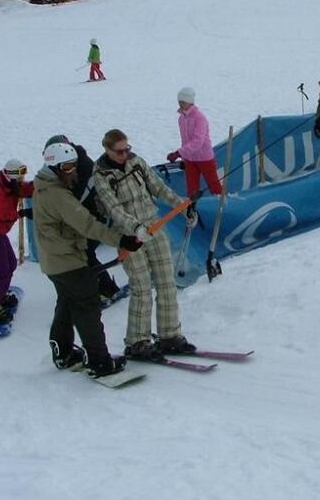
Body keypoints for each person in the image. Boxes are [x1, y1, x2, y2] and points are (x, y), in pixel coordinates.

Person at [34, 142, 143, 378]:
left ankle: (63, 352)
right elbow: (87, 224)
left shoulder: (44, 186)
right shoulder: (57, 194)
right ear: (54, 167)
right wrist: (122, 240)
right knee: (87, 307)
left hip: (54, 262)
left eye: (74, 165)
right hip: (68, 261)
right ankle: (99, 361)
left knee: (67, 304)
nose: (73, 171)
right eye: (67, 167)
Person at [94, 129, 198, 362]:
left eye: (127, 149)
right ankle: (137, 341)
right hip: (129, 236)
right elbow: (114, 209)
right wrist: (135, 227)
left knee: (166, 282)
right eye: (119, 151)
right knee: (141, 287)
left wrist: (183, 207)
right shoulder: (101, 175)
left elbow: (159, 187)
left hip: (154, 225)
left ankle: (169, 335)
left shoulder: (136, 162)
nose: (124, 154)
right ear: (107, 150)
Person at [43, 134, 122, 299]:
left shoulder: (84, 167)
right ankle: (99, 287)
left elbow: (73, 200)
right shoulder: (67, 165)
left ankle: (106, 289)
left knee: (85, 253)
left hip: (97, 217)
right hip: (83, 217)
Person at [0, 159, 34, 325]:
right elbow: (2, 214)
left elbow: (24, 189)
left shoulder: (10, 184)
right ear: (13, 174)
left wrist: (39, 185)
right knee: (2, 272)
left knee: (11, 264)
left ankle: (0, 295)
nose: (23, 177)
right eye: (21, 174)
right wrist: (22, 213)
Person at [167, 88, 223, 196]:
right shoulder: (181, 119)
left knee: (214, 186)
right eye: (179, 102)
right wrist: (184, 157)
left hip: (205, 158)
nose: (181, 104)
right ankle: (193, 205)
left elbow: (197, 142)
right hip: (189, 159)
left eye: (183, 102)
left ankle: (221, 204)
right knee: (192, 190)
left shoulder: (199, 118)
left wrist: (178, 153)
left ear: (190, 102)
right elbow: (185, 141)